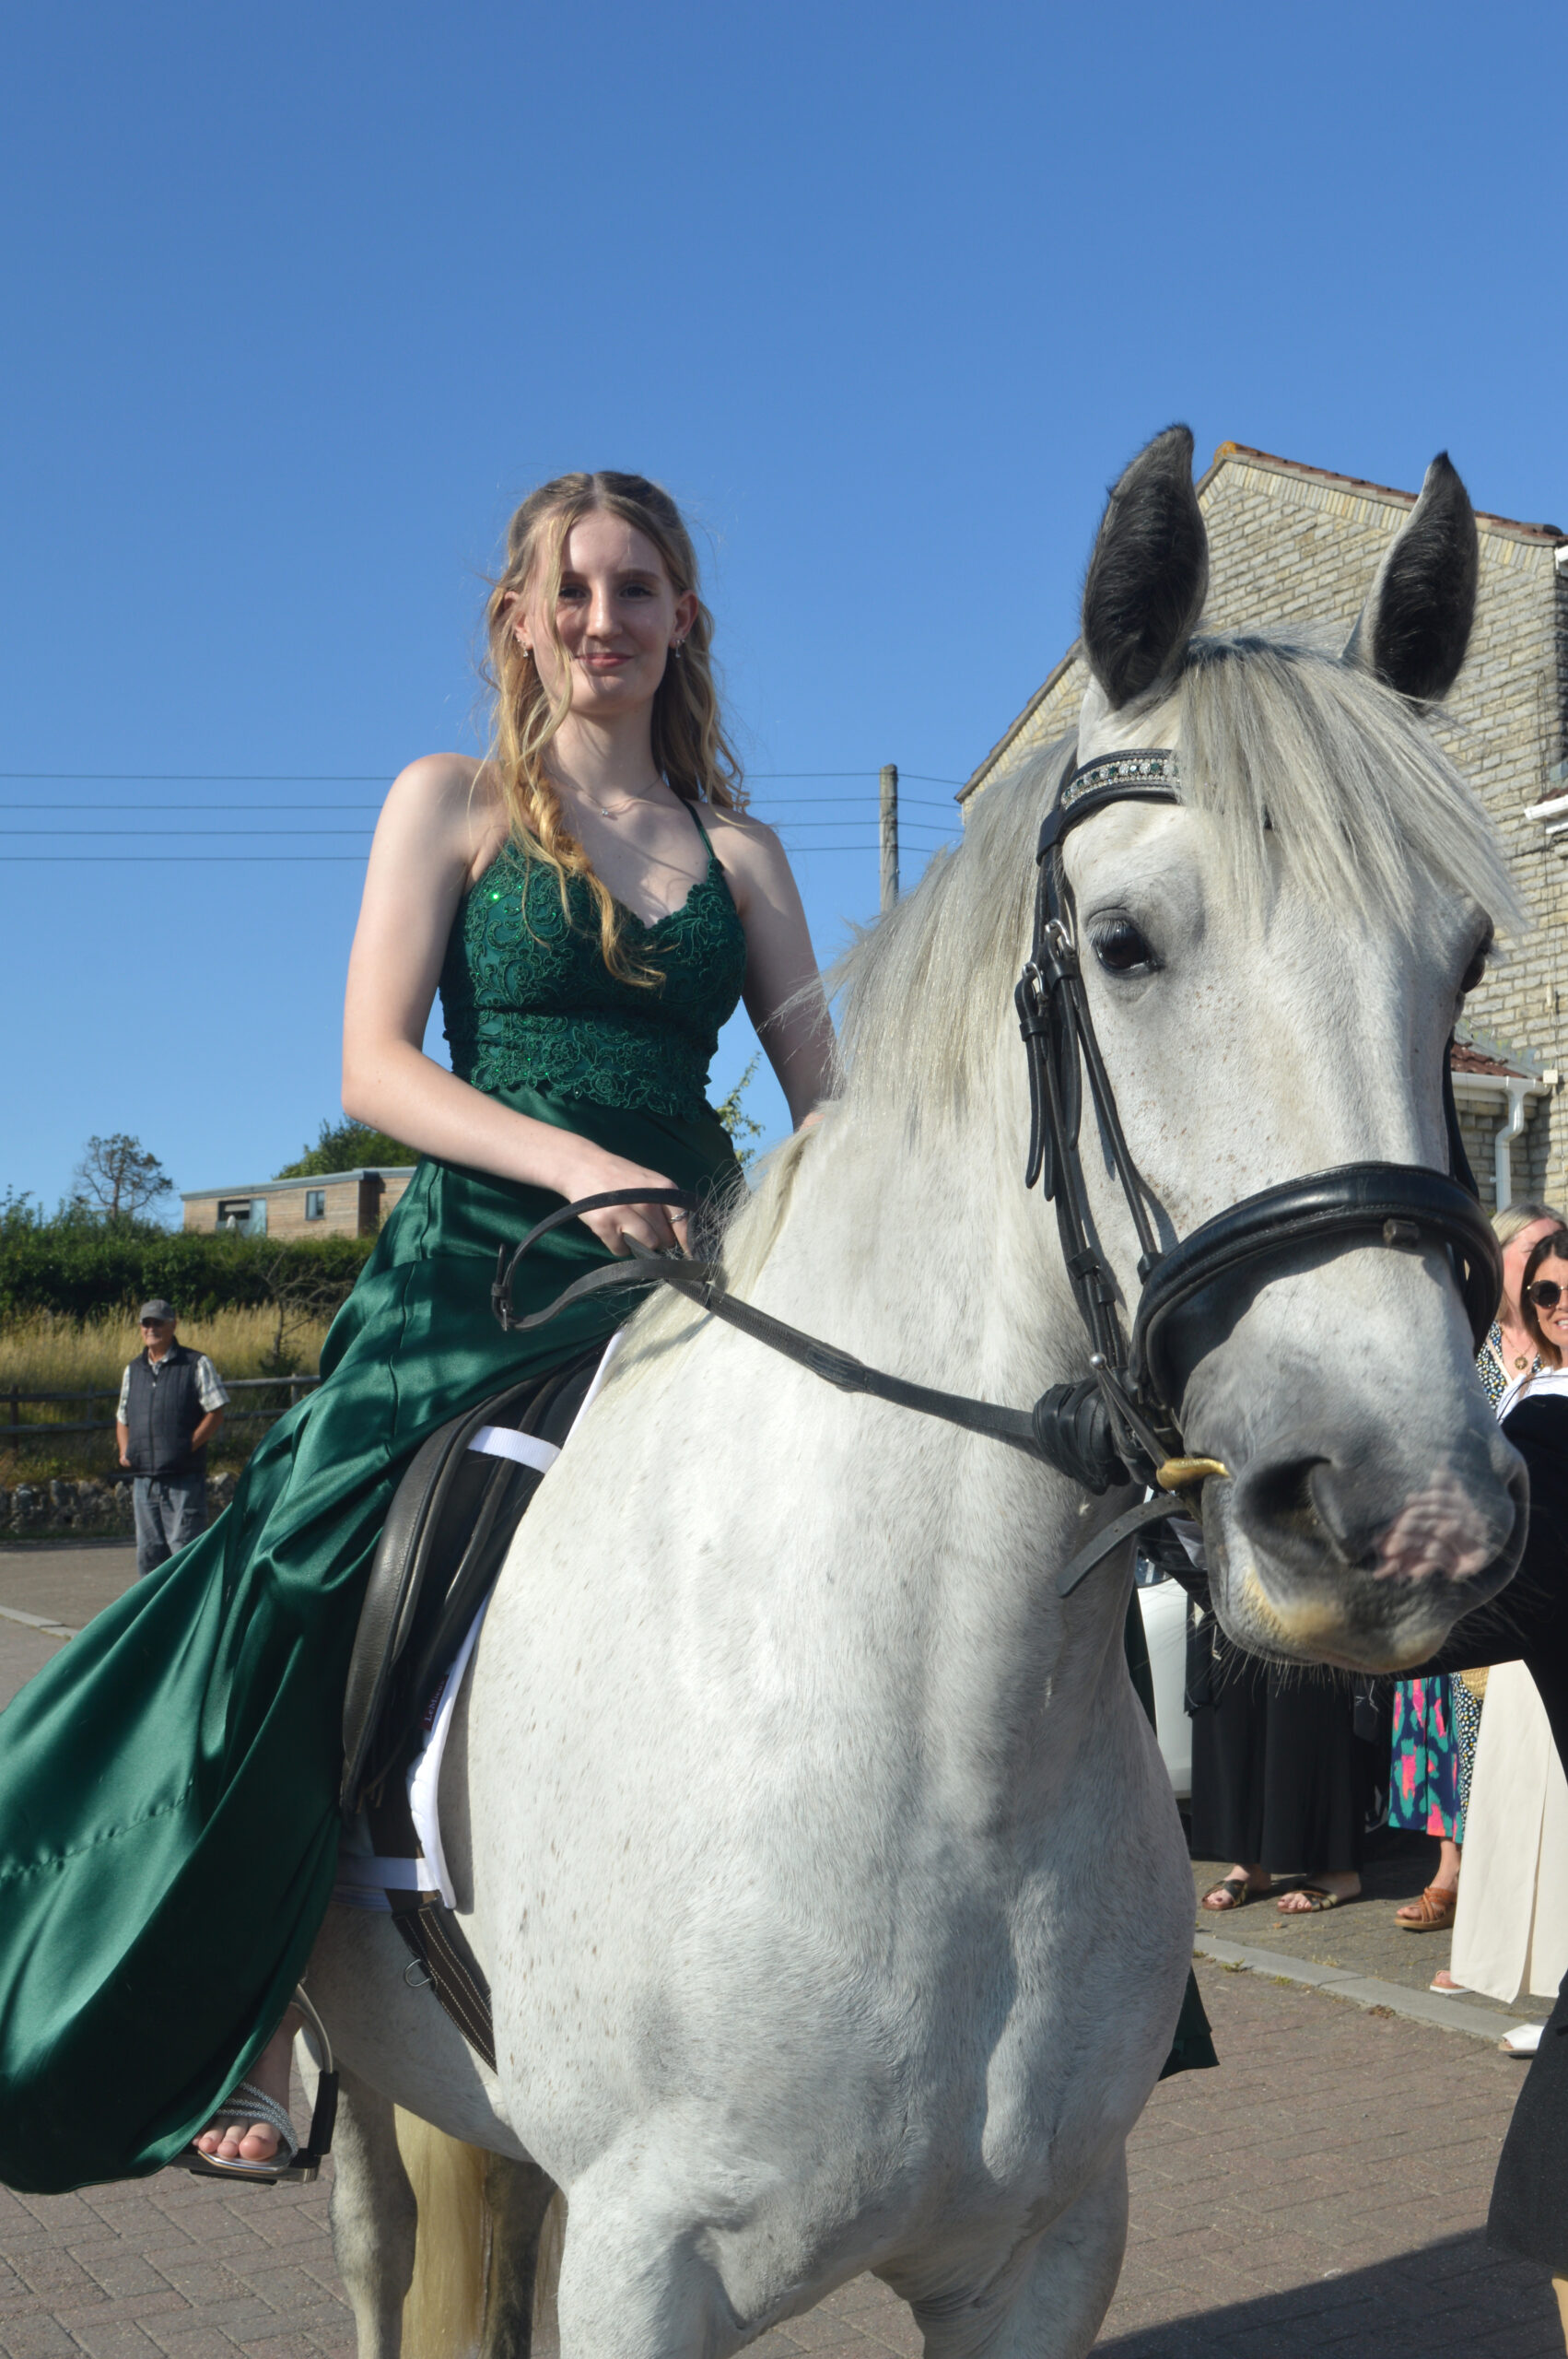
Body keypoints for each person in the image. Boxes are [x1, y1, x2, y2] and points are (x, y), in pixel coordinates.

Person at [0, 472, 835, 2193]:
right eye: (571, 590)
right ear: (517, 620)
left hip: (694, 1262)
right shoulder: (450, 802)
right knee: (302, 1569)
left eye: (638, 589)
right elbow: (374, 1068)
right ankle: (252, 2000)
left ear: (684, 618)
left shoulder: (745, 856)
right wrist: (579, 1162)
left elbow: (832, 1105)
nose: (604, 619)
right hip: (482, 1268)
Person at [115, 1299, 228, 1577]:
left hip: (183, 1480)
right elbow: (122, 1416)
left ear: (173, 1325)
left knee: (185, 1552)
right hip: (144, 1481)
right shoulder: (133, 1369)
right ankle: (155, 1607)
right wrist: (125, 1450)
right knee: (149, 1555)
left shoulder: (196, 1363)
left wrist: (187, 1446)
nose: (151, 1328)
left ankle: (190, 1606)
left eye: (158, 1323)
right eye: (146, 1323)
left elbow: (216, 1411)